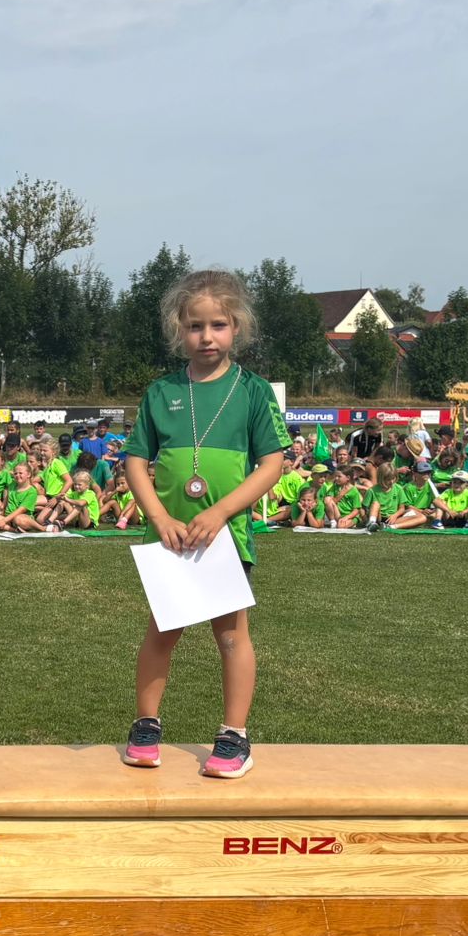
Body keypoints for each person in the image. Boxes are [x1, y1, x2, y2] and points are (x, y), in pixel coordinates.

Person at [119, 269, 291, 780]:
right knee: (161, 630)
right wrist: (159, 516)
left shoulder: (253, 391)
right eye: (195, 326)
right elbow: (135, 461)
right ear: (180, 329)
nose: (207, 336)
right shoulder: (162, 392)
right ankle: (146, 726)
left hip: (225, 537)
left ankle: (234, 735)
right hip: (169, 537)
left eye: (218, 325)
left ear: (237, 327)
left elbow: (272, 464)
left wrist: (219, 513)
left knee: (232, 635)